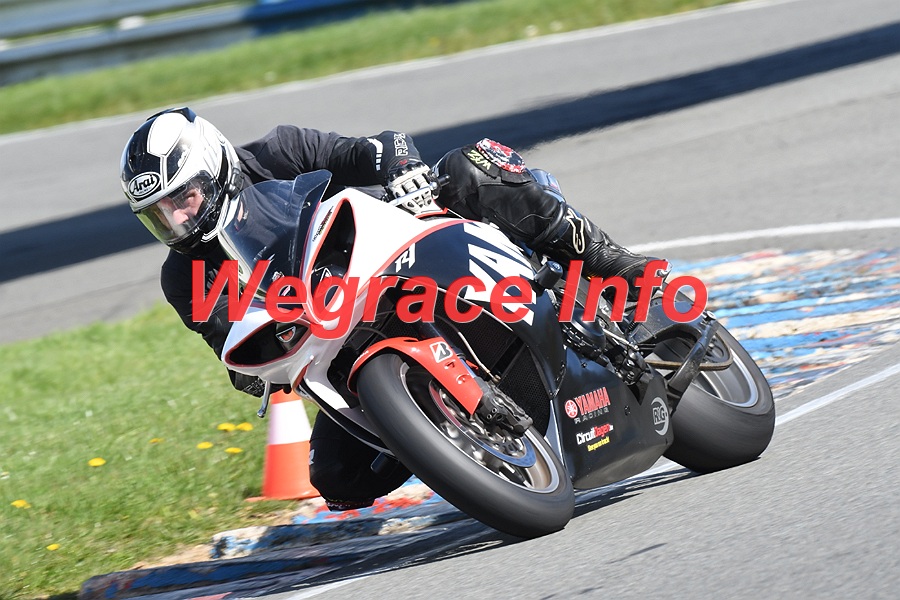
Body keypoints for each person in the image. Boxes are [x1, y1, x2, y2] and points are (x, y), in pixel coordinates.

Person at [120, 107, 654, 511]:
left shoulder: (280, 151)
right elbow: (229, 344)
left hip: (404, 252)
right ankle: (447, 438)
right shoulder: (184, 277)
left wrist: (401, 169)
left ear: (214, 168)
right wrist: (254, 367)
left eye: (183, 198)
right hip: (339, 338)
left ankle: (609, 262)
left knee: (469, 166)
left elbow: (380, 147)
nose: (177, 220)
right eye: (158, 215)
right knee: (337, 478)